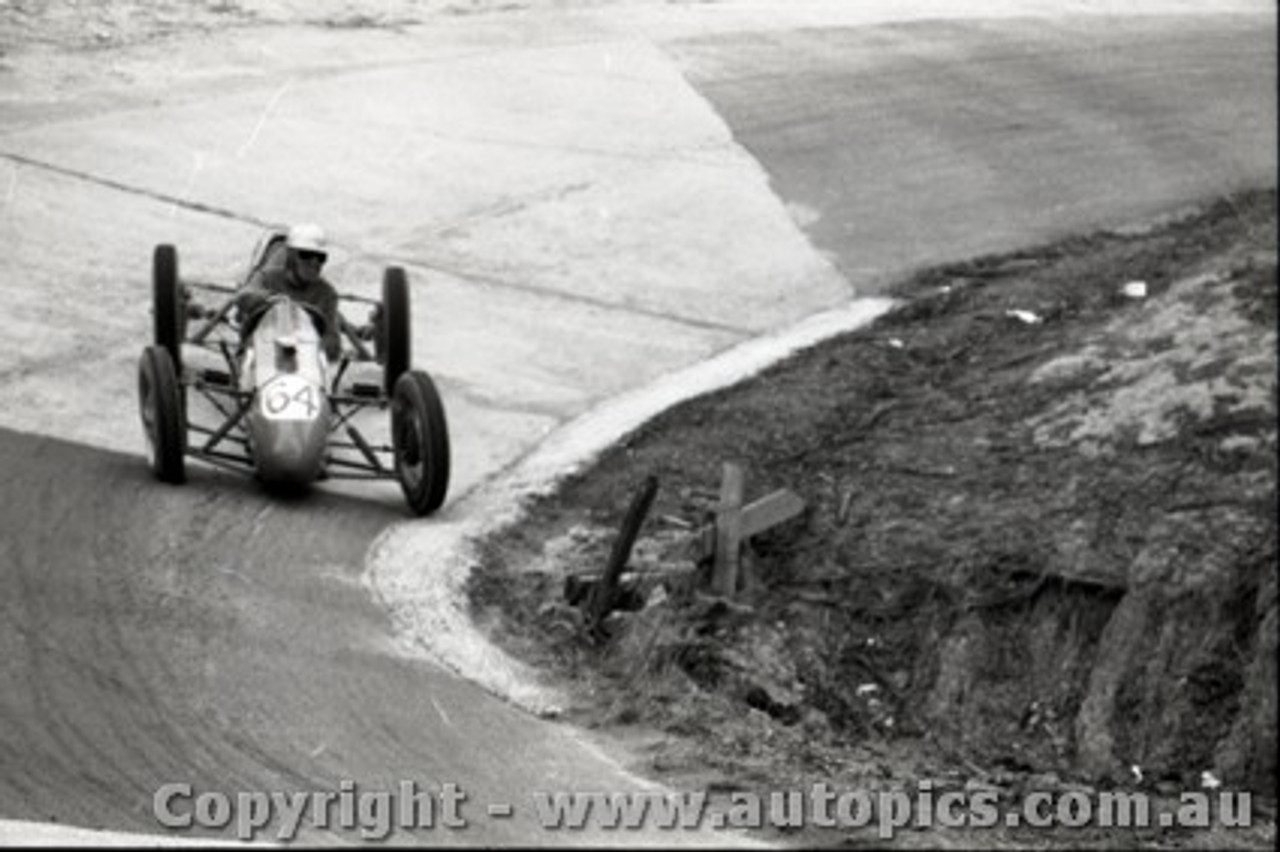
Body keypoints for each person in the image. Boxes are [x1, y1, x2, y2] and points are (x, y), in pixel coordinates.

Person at [237, 223, 342, 360]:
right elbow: (243, 296)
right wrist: (270, 299)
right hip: (262, 356)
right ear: (291, 256)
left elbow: (333, 347)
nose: (314, 262)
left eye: (321, 257)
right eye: (307, 255)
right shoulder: (266, 278)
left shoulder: (327, 294)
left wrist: (314, 344)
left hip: (304, 364)